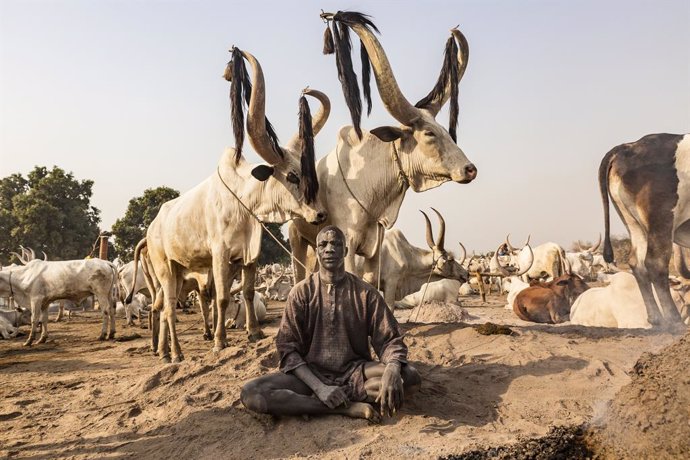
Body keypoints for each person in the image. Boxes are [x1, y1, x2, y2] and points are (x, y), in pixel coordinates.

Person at [241, 225, 420, 422]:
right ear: (317, 251)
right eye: (323, 244)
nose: (329, 249)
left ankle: (333, 398)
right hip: (311, 375)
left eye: (335, 243)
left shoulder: (366, 293)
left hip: (356, 372)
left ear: (345, 251)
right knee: (252, 393)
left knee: (409, 378)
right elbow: (287, 349)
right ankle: (343, 408)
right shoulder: (301, 293)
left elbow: (390, 340)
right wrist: (320, 388)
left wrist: (393, 368)